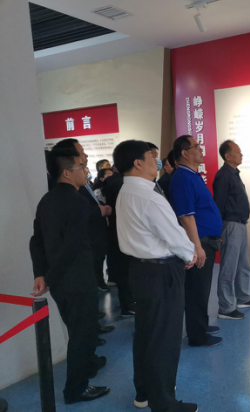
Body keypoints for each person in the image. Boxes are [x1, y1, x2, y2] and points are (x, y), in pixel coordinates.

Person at [114, 140, 198, 412]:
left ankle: (144, 392)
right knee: (165, 337)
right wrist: (190, 255)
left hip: (140, 270)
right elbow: (174, 236)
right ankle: (164, 402)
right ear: (138, 163)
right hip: (161, 271)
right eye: (152, 157)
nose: (157, 162)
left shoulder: (126, 190)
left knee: (146, 334)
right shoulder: (149, 197)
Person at [29, 148, 110, 404]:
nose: (86, 172)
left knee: (77, 331)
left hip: (60, 282)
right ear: (67, 172)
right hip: (77, 279)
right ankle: (76, 389)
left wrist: (41, 274)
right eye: (81, 167)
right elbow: (72, 246)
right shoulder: (77, 201)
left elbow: (36, 241)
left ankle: (86, 369)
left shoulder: (46, 200)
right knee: (82, 335)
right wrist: (49, 277)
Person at [171, 135, 223, 347]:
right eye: (196, 146)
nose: (201, 150)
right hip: (199, 242)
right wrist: (197, 246)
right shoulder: (182, 178)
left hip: (206, 240)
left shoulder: (192, 175)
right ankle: (197, 335)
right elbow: (186, 216)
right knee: (196, 289)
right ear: (184, 153)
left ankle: (201, 324)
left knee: (202, 287)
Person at [53, 139, 112, 292]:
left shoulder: (82, 185)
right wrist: (99, 211)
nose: (85, 156)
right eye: (81, 153)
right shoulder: (65, 196)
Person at [214, 140, 250, 320]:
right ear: (228, 156)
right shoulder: (223, 176)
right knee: (229, 267)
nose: (241, 154)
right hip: (231, 225)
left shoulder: (234, 174)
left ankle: (243, 298)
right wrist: (218, 231)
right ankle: (225, 307)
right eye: (238, 152)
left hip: (241, 225)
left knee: (243, 265)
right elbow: (218, 205)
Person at [102, 165, 135, 317]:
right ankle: (128, 305)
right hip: (124, 231)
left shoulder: (110, 181)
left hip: (115, 230)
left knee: (121, 268)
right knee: (126, 270)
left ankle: (128, 303)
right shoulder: (122, 183)